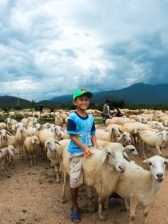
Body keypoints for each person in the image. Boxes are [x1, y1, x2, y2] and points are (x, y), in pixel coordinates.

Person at [66, 88, 97, 223]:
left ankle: (110, 193)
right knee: (75, 178)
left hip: (90, 149)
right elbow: (72, 136)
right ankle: (75, 206)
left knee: (102, 169)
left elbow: (93, 134)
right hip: (77, 151)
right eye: (81, 99)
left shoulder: (91, 117)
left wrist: (95, 147)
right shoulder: (72, 117)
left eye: (86, 99)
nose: (84, 102)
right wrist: (84, 148)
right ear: (75, 102)